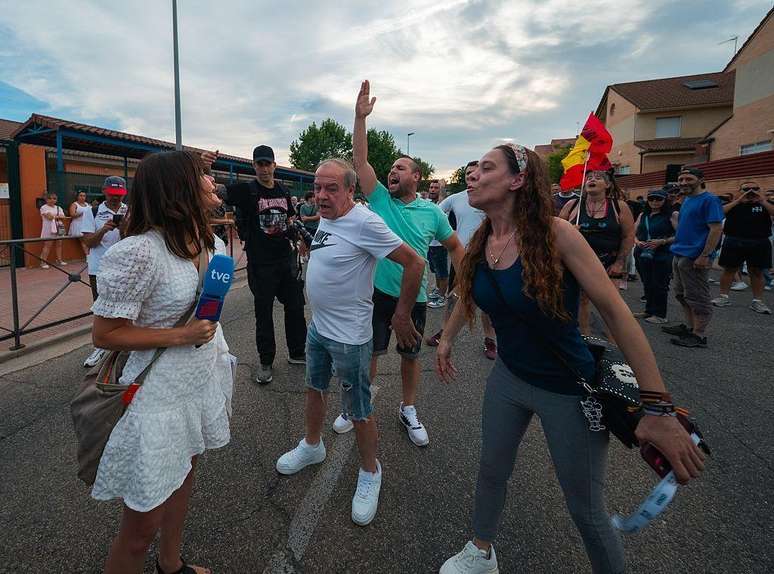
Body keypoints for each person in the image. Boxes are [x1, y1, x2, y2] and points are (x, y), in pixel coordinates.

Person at [435, 143, 705, 574]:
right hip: (508, 377)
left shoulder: (557, 235)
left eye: (486, 168)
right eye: (472, 169)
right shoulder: (482, 237)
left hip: (567, 389)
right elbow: (469, 292)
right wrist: (447, 337)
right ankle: (480, 551)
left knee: (585, 508)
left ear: (518, 180)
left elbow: (617, 315)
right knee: (491, 470)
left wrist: (657, 407)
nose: (472, 175)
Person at [91, 150, 233, 574]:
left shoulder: (212, 241)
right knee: (140, 529)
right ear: (180, 189)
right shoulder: (139, 252)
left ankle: (171, 565)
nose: (213, 183)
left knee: (184, 475)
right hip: (156, 398)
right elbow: (106, 334)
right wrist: (181, 335)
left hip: (197, 381)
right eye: (203, 177)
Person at [275, 158, 424, 526]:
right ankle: (313, 446)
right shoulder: (327, 216)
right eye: (317, 188)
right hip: (319, 329)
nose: (321, 196)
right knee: (313, 389)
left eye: (331, 188)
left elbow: (415, 263)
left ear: (350, 191)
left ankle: (370, 472)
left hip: (351, 338)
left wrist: (402, 315)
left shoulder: (366, 222)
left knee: (358, 409)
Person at [345, 80, 465, 445]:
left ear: (417, 176)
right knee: (371, 353)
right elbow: (360, 161)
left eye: (401, 167)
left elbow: (456, 246)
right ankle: (358, 405)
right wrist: (359, 118)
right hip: (378, 293)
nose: (392, 171)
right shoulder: (381, 199)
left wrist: (463, 283)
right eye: (391, 168)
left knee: (410, 356)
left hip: (414, 300)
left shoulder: (432, 211)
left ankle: (408, 408)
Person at [201, 145, 306, 384]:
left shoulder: (283, 189)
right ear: (254, 166)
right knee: (264, 313)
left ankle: (298, 352)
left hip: (285, 260)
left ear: (274, 165)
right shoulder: (245, 190)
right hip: (260, 263)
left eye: (267, 163)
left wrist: (296, 239)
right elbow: (212, 189)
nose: (264, 168)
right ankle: (266, 361)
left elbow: (289, 216)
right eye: (259, 164)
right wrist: (203, 167)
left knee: (296, 306)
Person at [426, 161, 497, 360]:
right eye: (467, 173)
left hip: (490, 258)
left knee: (488, 303)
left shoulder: (492, 198)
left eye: (475, 172)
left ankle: (490, 339)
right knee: (453, 298)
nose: (471, 176)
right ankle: (444, 332)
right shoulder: (456, 199)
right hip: (462, 258)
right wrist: (447, 233)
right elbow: (436, 214)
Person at [559, 170, 635, 338]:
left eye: (598, 178)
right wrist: (568, 231)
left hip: (609, 263)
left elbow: (628, 236)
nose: (591, 179)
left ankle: (613, 342)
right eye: (589, 177)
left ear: (607, 185)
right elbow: (556, 233)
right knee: (581, 301)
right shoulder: (572, 205)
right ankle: (586, 338)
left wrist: (619, 263)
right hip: (578, 264)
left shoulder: (619, 206)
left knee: (611, 305)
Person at [661, 167, 724, 348]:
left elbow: (716, 228)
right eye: (680, 179)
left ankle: (699, 335)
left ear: (701, 179)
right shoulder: (688, 199)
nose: (683, 183)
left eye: (688, 179)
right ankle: (689, 327)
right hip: (680, 252)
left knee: (698, 297)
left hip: (695, 256)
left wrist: (705, 255)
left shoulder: (710, 200)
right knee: (681, 294)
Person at [81, 177, 129, 368]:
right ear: (104, 191)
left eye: (119, 195)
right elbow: (88, 242)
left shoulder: (129, 210)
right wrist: (104, 230)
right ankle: (101, 347)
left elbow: (134, 239)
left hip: (125, 267)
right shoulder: (91, 211)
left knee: (128, 305)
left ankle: (125, 343)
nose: (115, 199)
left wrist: (124, 229)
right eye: (112, 195)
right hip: (99, 267)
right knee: (101, 307)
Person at [710, 182, 773, 314]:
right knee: (729, 269)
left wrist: (761, 200)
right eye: (746, 189)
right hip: (734, 240)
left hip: (759, 241)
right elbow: (718, 213)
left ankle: (758, 301)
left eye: (755, 189)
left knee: (757, 271)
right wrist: (738, 200)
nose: (751, 192)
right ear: (740, 191)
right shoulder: (734, 204)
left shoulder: (764, 204)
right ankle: (723, 297)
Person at [632, 188, 677, 324]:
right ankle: (649, 310)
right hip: (642, 252)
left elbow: (680, 234)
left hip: (662, 253)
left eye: (658, 199)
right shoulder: (643, 215)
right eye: (651, 199)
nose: (655, 202)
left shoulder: (672, 215)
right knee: (647, 282)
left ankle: (660, 314)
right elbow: (632, 231)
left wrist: (662, 241)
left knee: (660, 284)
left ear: (665, 200)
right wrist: (637, 241)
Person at [427, 179, 451, 309]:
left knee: (442, 272)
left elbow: (440, 206)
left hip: (440, 245)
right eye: (431, 187)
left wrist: (442, 188)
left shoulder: (445, 205)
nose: (432, 190)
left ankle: (442, 297)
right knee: (435, 270)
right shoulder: (427, 203)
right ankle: (437, 289)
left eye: (436, 188)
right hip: (430, 245)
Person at [39, 192, 68, 268]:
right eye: (50, 198)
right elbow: (49, 217)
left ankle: (59, 260)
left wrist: (54, 216)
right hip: (49, 229)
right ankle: (43, 262)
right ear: (46, 199)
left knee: (59, 244)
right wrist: (58, 216)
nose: (52, 200)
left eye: (54, 198)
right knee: (47, 245)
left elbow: (63, 217)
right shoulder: (43, 207)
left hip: (59, 227)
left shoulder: (59, 208)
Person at [68, 190, 94, 258]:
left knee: (89, 241)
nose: (82, 197)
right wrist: (83, 213)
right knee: (84, 241)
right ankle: (88, 257)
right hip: (78, 225)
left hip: (87, 225)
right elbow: (72, 215)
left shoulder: (88, 205)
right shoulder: (74, 204)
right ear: (77, 196)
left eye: (84, 196)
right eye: (81, 195)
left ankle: (89, 256)